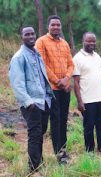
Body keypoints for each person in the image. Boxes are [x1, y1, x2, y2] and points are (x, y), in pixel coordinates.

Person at [9, 26, 53, 172]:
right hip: (31, 103)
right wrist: (28, 103)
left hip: (43, 101)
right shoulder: (19, 57)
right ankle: (34, 168)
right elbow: (17, 83)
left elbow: (41, 78)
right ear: (22, 37)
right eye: (27, 34)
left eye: (32, 33)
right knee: (35, 134)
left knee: (41, 132)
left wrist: (49, 95)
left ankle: (38, 161)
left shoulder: (36, 54)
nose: (30, 36)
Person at [35, 15, 74, 164]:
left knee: (64, 119)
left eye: (58, 25)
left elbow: (71, 64)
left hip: (64, 89)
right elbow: (42, 65)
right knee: (56, 120)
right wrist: (58, 81)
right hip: (51, 89)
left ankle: (63, 150)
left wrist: (66, 78)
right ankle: (59, 154)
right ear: (48, 26)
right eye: (53, 25)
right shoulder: (41, 42)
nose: (56, 27)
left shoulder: (64, 43)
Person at [73, 32, 101, 158]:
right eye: (88, 41)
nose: (91, 43)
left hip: (100, 99)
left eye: (93, 41)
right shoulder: (77, 58)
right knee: (89, 128)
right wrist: (80, 102)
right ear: (83, 41)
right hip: (87, 101)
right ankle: (89, 153)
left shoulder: (97, 57)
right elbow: (76, 82)